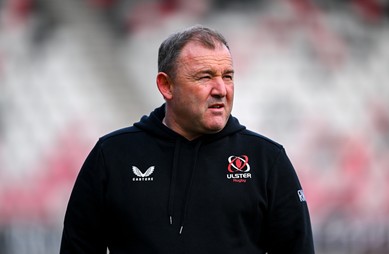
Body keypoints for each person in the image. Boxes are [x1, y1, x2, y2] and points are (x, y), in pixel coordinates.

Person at [60, 25, 315, 254]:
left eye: (227, 76)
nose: (221, 89)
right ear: (166, 86)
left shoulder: (267, 160)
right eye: (205, 77)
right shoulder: (112, 155)